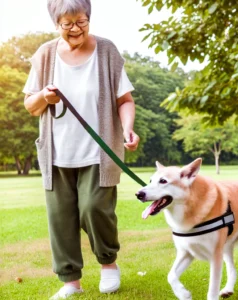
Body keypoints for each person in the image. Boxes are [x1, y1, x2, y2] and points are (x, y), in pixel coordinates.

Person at [23, 0, 140, 299]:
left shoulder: (107, 51)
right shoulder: (45, 54)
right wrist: (44, 98)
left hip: (99, 152)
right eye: (67, 23)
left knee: (94, 209)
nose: (75, 28)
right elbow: (30, 105)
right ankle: (70, 281)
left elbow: (124, 100)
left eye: (81, 20)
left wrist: (127, 128)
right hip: (57, 152)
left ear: (89, 18)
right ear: (56, 24)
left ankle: (108, 264)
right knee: (61, 217)